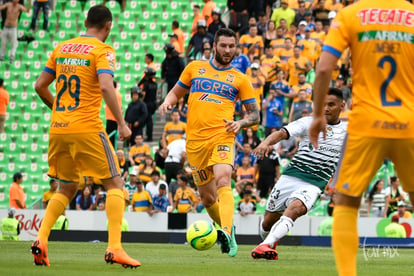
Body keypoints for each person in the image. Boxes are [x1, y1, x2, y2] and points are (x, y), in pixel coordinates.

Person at [309, 1, 414, 275]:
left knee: (346, 202)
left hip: (365, 124)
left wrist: (318, 114)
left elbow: (323, 69)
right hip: (409, 123)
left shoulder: (350, 15)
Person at [31, 5, 140, 268]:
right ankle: (114, 248)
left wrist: (56, 108)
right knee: (115, 185)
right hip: (87, 127)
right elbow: (105, 85)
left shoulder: (63, 47)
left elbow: (39, 86)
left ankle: (41, 240)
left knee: (67, 187)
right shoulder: (103, 50)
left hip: (58, 128)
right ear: (108, 26)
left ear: (85, 21)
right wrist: (123, 125)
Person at [159, 28, 260, 257]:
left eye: (231, 46)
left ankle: (223, 229)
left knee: (224, 179)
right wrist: (167, 102)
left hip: (223, 135)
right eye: (223, 46)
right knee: (207, 198)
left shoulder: (240, 79)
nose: (227, 50)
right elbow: (176, 92)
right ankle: (229, 230)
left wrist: (241, 123)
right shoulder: (195, 68)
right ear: (214, 46)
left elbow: (255, 116)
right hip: (195, 142)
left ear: (236, 48)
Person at [251, 88, 347, 260]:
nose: (326, 108)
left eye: (331, 105)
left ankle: (265, 245)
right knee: (266, 223)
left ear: (342, 105)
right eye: (322, 104)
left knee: (296, 209)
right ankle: (268, 242)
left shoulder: (348, 130)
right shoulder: (308, 122)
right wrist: (266, 142)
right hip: (290, 177)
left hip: (314, 183)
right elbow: (282, 133)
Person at [138, 67, 158, 142]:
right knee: (149, 120)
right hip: (153, 104)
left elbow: (143, 94)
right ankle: (149, 136)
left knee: (144, 121)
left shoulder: (146, 84)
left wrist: (141, 103)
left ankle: (142, 136)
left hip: (146, 104)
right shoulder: (155, 84)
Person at [104, 81, 122, 147]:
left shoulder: (114, 94)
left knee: (110, 136)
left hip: (112, 117)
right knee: (111, 136)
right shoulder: (116, 93)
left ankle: (111, 149)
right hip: (112, 117)